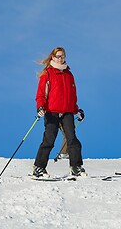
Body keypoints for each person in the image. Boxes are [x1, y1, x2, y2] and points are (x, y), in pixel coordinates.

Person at [33, 46, 86, 178]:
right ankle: (39, 168)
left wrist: (76, 110)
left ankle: (76, 167)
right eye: (58, 56)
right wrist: (40, 107)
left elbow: (72, 96)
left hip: (67, 112)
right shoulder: (48, 73)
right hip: (52, 111)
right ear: (53, 57)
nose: (61, 58)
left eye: (63, 56)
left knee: (72, 140)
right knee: (49, 140)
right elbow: (41, 94)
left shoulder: (68, 74)